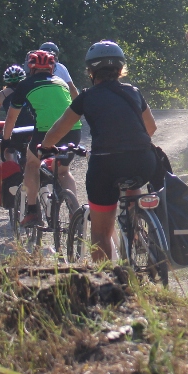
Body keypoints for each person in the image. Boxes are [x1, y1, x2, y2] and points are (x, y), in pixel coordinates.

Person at [42, 40, 157, 263]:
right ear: (120, 68)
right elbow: (151, 128)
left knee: (101, 233)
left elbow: (59, 130)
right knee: (133, 180)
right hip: (143, 161)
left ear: (91, 71)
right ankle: (137, 228)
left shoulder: (87, 96)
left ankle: (105, 282)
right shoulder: (134, 92)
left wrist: (45, 146)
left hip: (106, 165)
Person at [4, 49, 81, 226]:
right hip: (73, 129)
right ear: (52, 67)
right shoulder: (61, 82)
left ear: (31, 68)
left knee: (31, 165)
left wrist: (7, 140)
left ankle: (31, 211)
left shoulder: (25, 84)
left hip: (46, 131)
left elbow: (11, 118)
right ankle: (74, 212)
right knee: (63, 171)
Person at [0, 65, 34, 162]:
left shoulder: (2, 94)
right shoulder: (32, 91)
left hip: (15, 132)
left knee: (5, 148)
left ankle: (11, 166)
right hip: (34, 129)